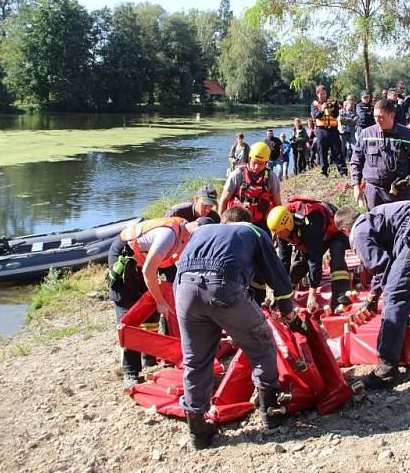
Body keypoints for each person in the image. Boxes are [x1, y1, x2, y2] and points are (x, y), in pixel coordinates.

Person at [174, 207, 306, 449]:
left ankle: (197, 428)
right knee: (262, 340)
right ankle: (270, 410)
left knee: (196, 358)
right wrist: (289, 313)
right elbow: (278, 278)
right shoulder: (253, 232)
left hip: (183, 290)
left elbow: (182, 272)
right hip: (221, 285)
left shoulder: (203, 232)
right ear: (247, 221)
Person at [334, 203, 410, 388]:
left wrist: (380, 296)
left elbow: (384, 271)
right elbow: (390, 265)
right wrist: (373, 296)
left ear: (345, 229)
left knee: (395, 295)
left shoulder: (358, 233)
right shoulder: (373, 218)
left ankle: (386, 368)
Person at [107, 217, 210, 389]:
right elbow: (149, 271)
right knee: (129, 311)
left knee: (152, 300)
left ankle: (150, 356)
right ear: (196, 229)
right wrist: (160, 301)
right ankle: (131, 371)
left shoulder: (186, 234)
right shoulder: (169, 235)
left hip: (145, 260)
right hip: (126, 256)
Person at [267, 198, 351, 311]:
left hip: (334, 231)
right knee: (300, 265)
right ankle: (286, 296)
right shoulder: (281, 229)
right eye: (275, 233)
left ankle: (341, 298)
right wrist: (283, 291)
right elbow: (284, 260)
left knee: (337, 257)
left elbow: (315, 260)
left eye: (279, 232)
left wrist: (312, 293)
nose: (278, 236)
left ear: (288, 224)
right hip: (314, 236)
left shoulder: (310, 222)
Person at [351, 99, 410, 209]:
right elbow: (356, 161)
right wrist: (356, 186)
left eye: (381, 117)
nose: (377, 120)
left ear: (392, 115)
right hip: (375, 192)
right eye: (375, 116)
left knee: (401, 224)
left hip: (401, 191)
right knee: (377, 224)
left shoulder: (406, 134)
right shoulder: (366, 134)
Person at [218, 142, 282, 233]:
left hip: (261, 222)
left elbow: (277, 204)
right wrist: (221, 224)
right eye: (254, 162)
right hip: (237, 222)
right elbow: (223, 200)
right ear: (249, 158)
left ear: (266, 162)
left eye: (261, 164)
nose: (256, 167)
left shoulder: (272, 177)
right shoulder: (237, 175)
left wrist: (277, 228)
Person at [310, 85, 348, 177]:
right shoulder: (314, 104)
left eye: (324, 93)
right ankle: (324, 172)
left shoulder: (333, 102)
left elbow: (335, 115)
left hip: (333, 129)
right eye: (321, 94)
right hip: (321, 130)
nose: (323, 95)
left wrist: (330, 108)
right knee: (322, 151)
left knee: (337, 150)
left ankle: (343, 171)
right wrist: (323, 109)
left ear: (326, 93)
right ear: (317, 94)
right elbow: (316, 115)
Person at [339, 96, 357, 161]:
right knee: (342, 148)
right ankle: (342, 161)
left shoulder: (354, 113)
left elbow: (355, 121)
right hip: (342, 132)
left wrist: (347, 120)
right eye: (351, 104)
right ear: (347, 104)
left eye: (353, 104)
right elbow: (341, 120)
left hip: (351, 132)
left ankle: (355, 160)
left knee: (354, 147)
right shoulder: (341, 111)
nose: (352, 105)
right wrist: (351, 120)